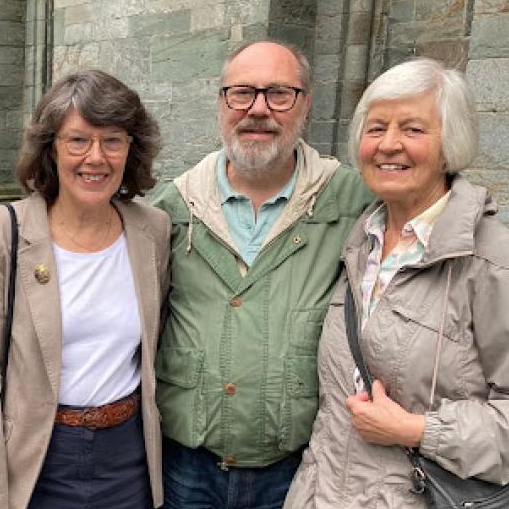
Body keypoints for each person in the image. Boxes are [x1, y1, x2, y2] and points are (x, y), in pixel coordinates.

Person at [284, 57, 509, 507]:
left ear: (449, 145)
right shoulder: (359, 244)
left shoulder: (494, 263)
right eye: (376, 129)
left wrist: (418, 430)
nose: (389, 145)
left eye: (413, 130)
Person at [149, 40, 374, 509]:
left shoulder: (352, 202)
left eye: (278, 94)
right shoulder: (173, 208)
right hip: (188, 464)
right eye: (242, 93)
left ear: (305, 104)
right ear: (221, 103)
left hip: (295, 463)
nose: (258, 109)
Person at [0, 70, 170, 509]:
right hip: (34, 456)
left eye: (113, 140)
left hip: (127, 458)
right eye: (78, 140)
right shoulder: (0, 233)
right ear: (51, 150)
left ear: (131, 149)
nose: (96, 157)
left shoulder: (151, 230)